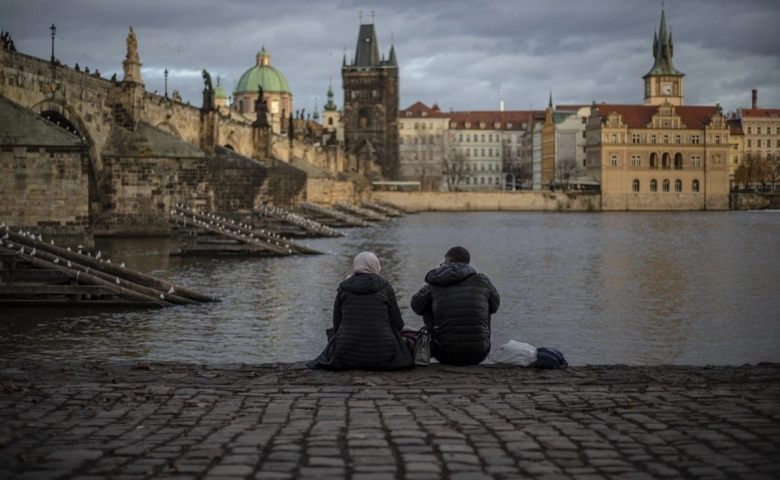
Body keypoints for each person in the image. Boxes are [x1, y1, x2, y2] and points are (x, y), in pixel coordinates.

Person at [307, 252, 414, 371]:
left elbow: (337, 325)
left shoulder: (343, 288)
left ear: (355, 266)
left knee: (333, 333)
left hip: (345, 354)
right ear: (376, 265)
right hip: (383, 354)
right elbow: (398, 324)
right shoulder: (385, 286)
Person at [411, 246, 500, 366]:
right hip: (479, 353)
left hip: (444, 354)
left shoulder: (436, 282)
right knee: (486, 304)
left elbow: (416, 306)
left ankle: (438, 339)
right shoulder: (483, 280)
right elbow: (495, 306)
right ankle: (477, 341)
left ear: (448, 261)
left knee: (425, 304)